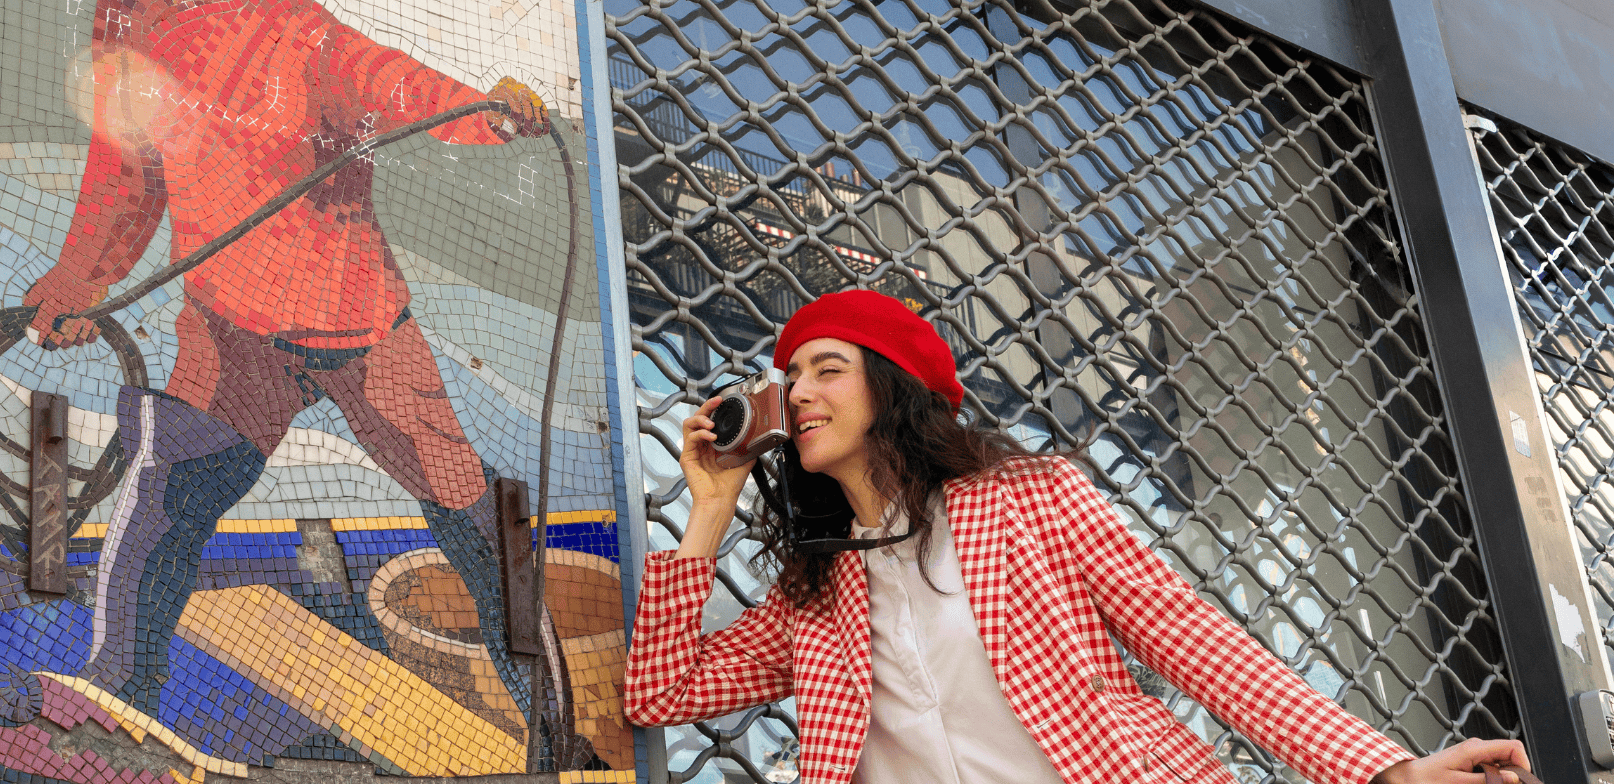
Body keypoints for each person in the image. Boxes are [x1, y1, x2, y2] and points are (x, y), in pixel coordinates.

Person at [23, 0, 587, 766]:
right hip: (230, 331)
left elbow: (394, 83)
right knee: (162, 502)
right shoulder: (127, 10)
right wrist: (78, 284)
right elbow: (125, 173)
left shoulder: (302, 29)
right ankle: (112, 711)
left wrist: (486, 111)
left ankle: (556, 738)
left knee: (477, 523)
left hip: (360, 327)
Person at [624, 289, 1532, 784]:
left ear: (894, 389)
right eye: (789, 379)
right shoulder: (815, 595)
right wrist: (709, 510)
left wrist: (1384, 772)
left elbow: (1195, 642)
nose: (799, 393)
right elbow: (662, 692)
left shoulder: (1029, 501)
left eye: (828, 368)